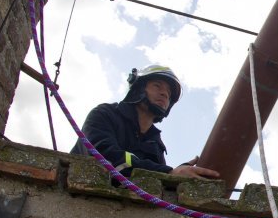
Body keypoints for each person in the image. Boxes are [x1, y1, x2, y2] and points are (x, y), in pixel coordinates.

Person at [71, 65, 220, 180]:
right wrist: (169, 172)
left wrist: (179, 175)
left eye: (169, 93)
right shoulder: (104, 114)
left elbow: (158, 180)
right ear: (138, 88)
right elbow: (104, 157)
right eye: (157, 86)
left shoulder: (155, 143)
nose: (164, 94)